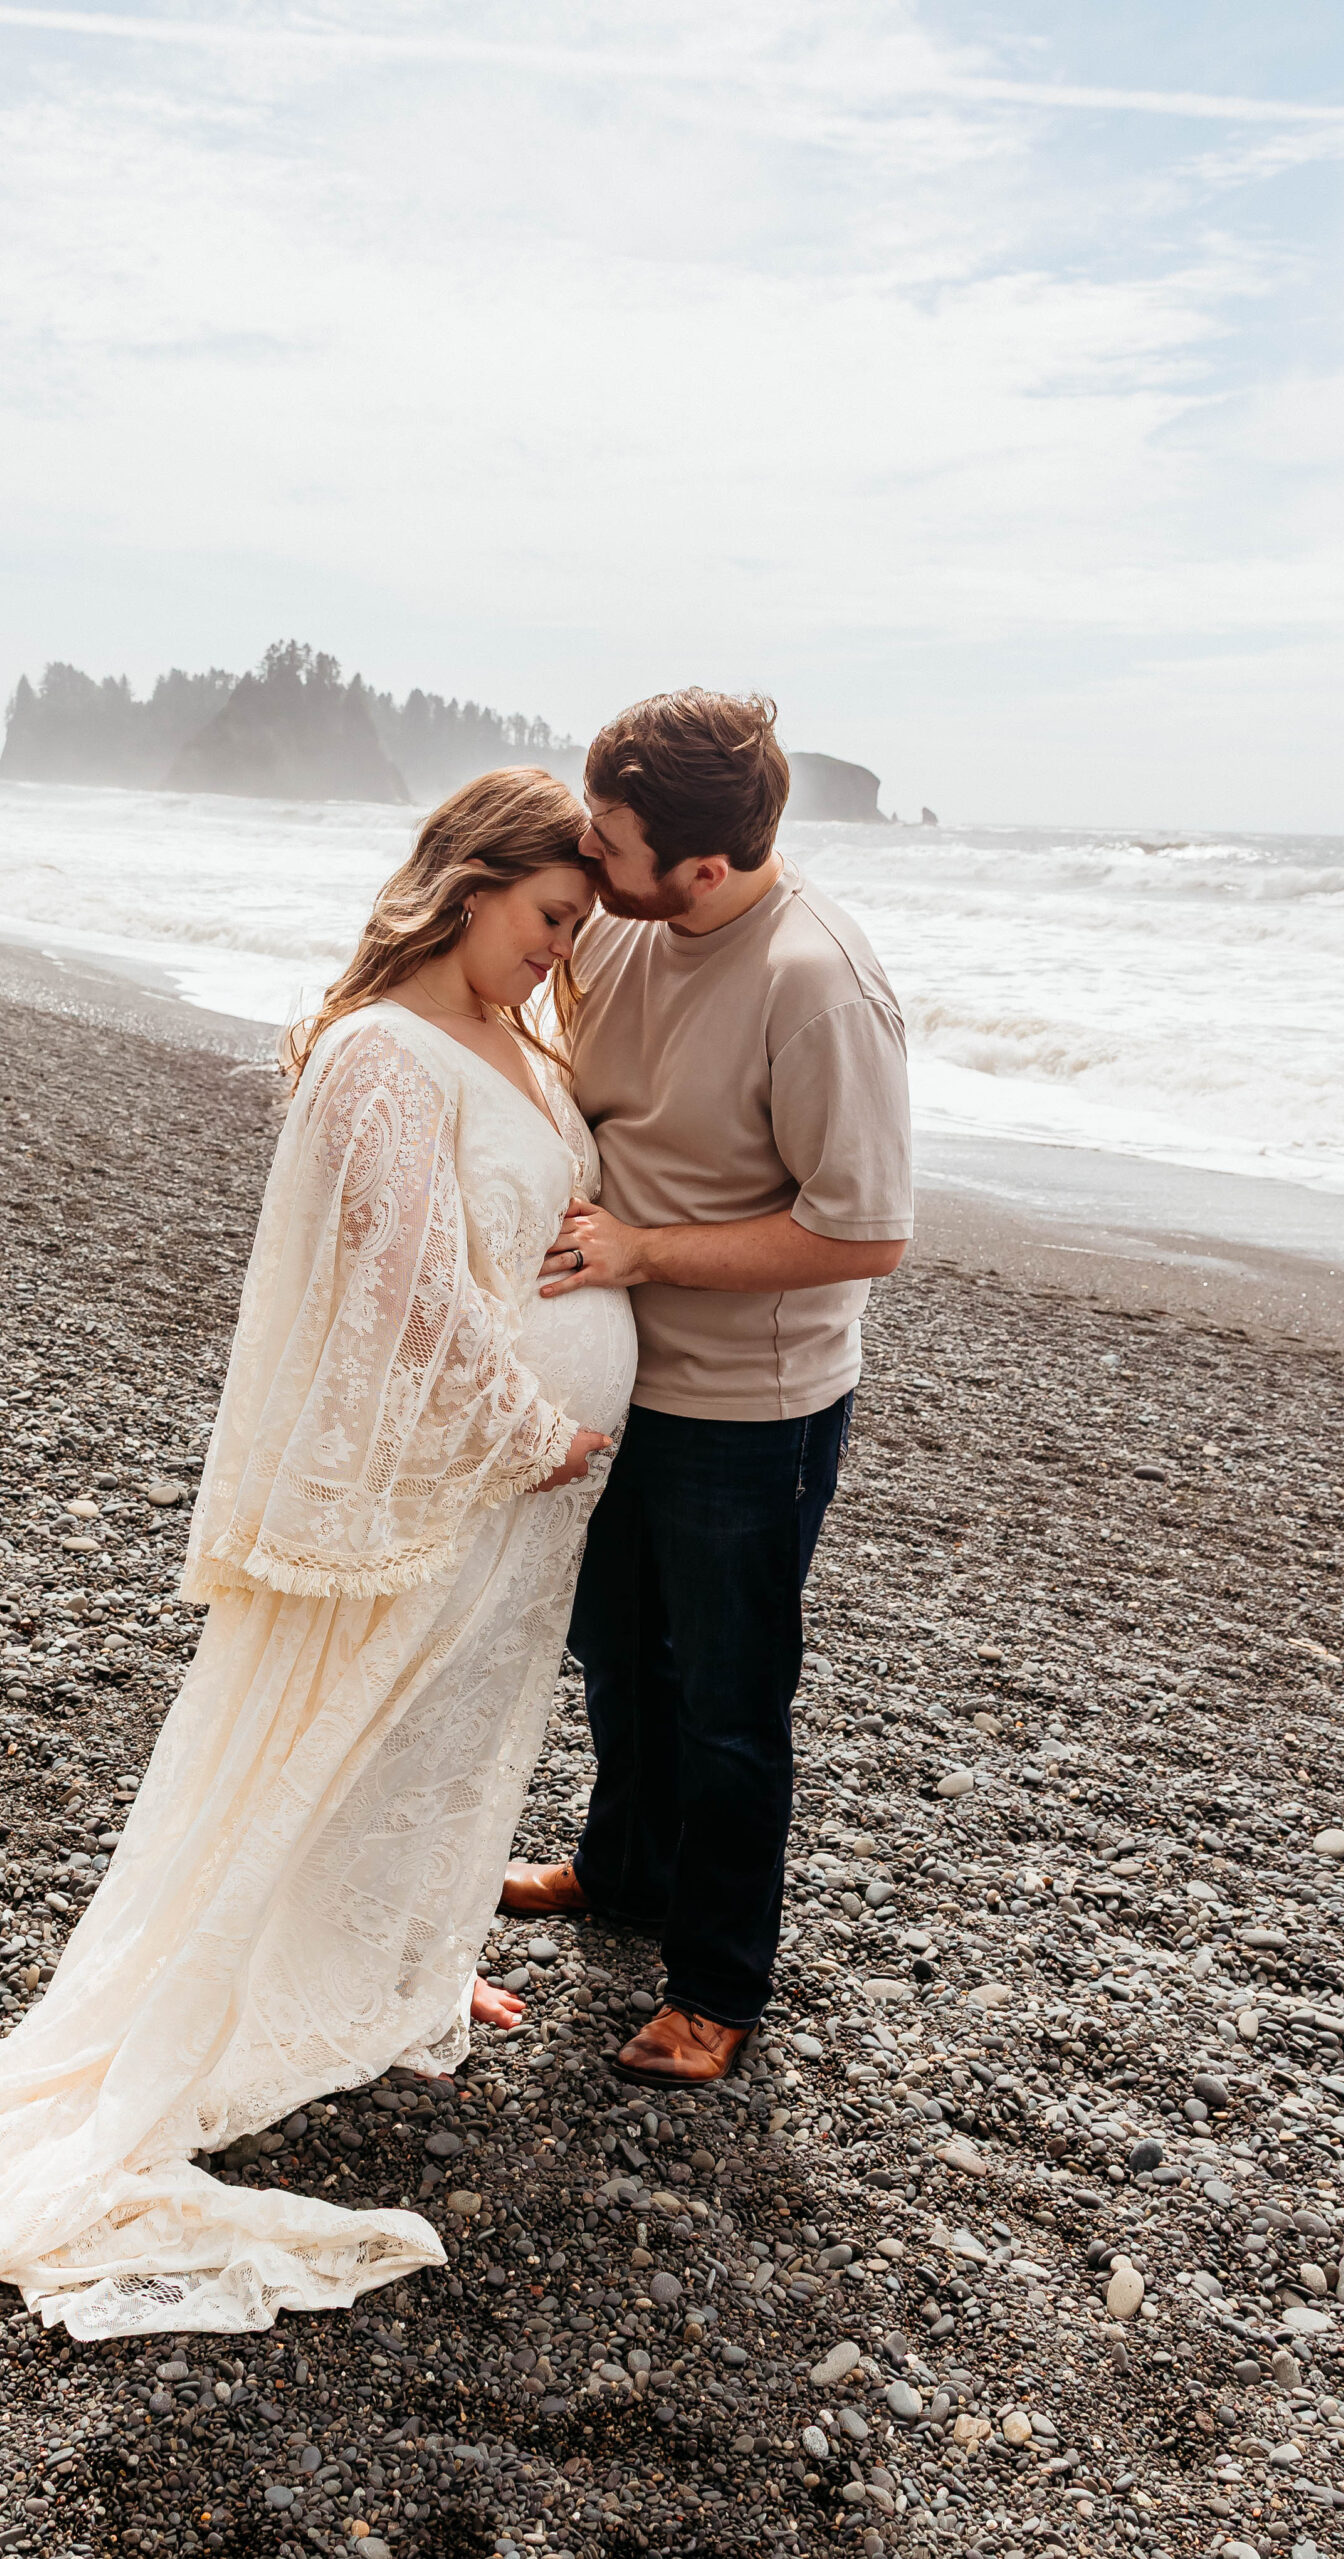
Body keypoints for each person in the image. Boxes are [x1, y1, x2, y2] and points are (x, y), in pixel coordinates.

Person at [0, 769, 635, 2405]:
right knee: (343, 1722)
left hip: (523, 1489)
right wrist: (527, 1430)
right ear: (468, 889)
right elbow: (402, 1284)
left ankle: (396, 1970)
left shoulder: (522, 1042)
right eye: (547, 918)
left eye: (577, 928)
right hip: (461, 1464)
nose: (557, 951)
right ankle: (273, 1993)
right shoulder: (381, 1054)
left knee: (450, 1719)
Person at [501, 690, 913, 2086]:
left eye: (610, 841)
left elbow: (865, 1233)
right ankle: (623, 1870)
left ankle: (718, 1986)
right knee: (618, 1653)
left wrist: (645, 1249)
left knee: (728, 1703)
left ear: (707, 867)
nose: (588, 854)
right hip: (612, 1375)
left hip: (752, 1407)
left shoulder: (818, 983)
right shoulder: (624, 920)